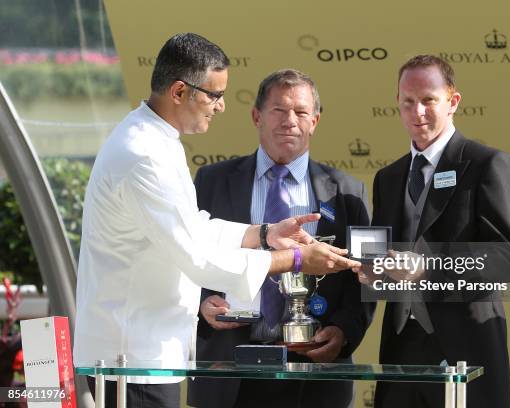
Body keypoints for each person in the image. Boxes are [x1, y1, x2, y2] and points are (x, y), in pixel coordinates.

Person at [72, 34, 359, 408]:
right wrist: (297, 260)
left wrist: (265, 233)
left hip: (144, 352)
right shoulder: (144, 154)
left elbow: (194, 227)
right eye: (214, 95)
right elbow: (197, 257)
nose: (221, 107)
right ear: (179, 92)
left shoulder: (155, 141)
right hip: (133, 359)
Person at [187, 69, 375, 408]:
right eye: (279, 110)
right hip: (228, 372)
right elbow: (187, 257)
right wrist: (201, 304)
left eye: (301, 112)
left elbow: (365, 277)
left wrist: (344, 332)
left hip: (316, 375)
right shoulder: (211, 181)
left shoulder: (348, 193)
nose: (290, 121)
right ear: (257, 116)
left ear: (315, 121)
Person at [364, 55, 510, 408]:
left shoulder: (487, 164)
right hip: (401, 349)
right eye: (408, 102)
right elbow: (383, 258)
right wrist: (371, 272)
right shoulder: (388, 178)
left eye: (428, 100)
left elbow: (507, 259)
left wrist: (426, 268)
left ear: (453, 102)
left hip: (467, 348)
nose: (417, 112)